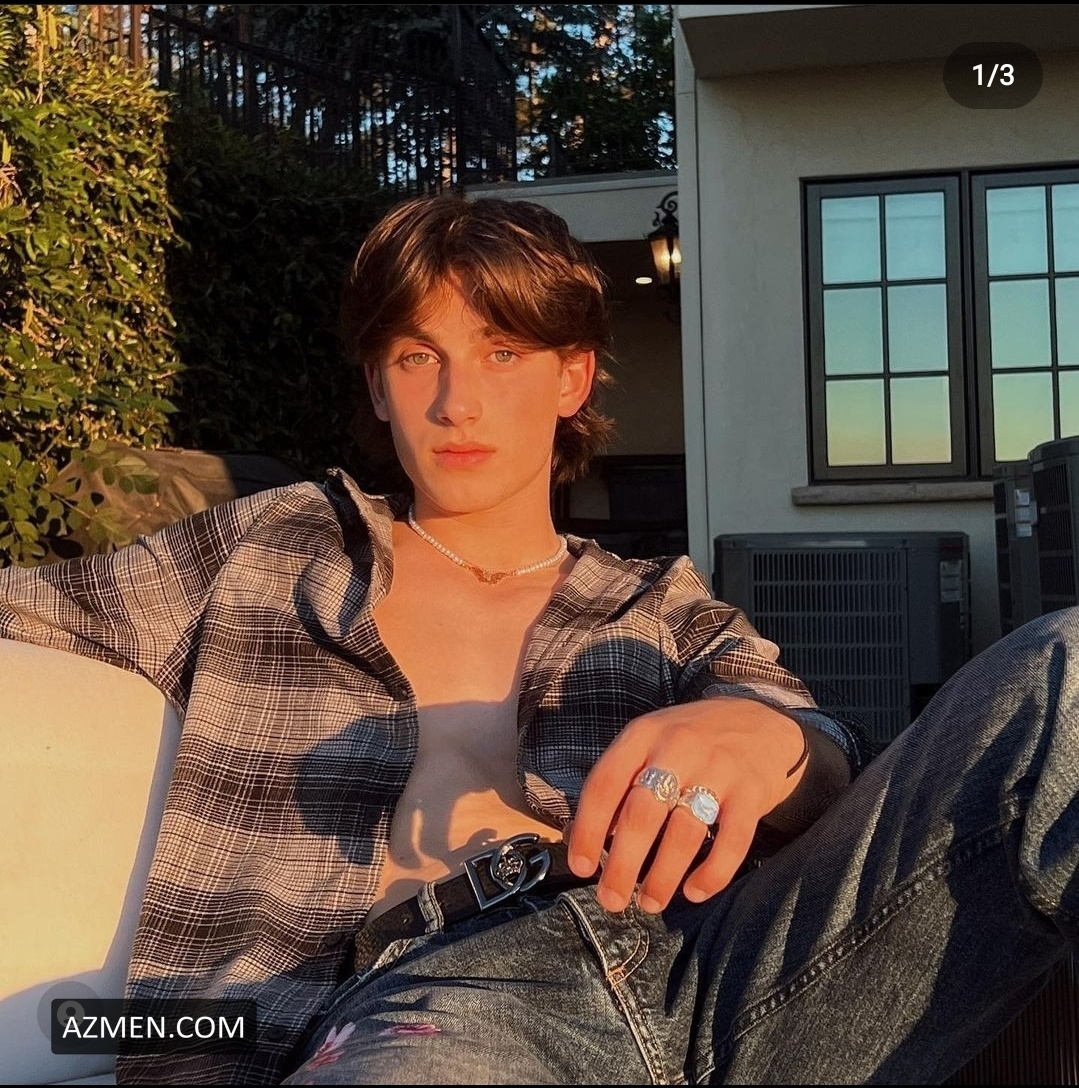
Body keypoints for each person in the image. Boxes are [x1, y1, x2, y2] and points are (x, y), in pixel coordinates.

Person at [0, 194, 1075, 1086]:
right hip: (428, 997)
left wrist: (766, 740)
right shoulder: (278, 545)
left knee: (1064, 674)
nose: (456, 401)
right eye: (416, 356)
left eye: (502, 350)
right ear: (377, 384)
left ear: (570, 377)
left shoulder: (653, 601)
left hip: (717, 974)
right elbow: (26, 608)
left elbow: (817, 740)